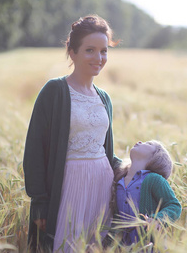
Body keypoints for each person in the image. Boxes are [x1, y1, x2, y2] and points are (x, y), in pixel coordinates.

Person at [23, 15, 122, 252]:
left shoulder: (104, 97)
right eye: (90, 50)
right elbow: (34, 149)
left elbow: (106, 150)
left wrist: (139, 170)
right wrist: (39, 203)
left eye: (104, 51)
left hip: (102, 187)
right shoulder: (54, 91)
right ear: (72, 51)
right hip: (67, 187)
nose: (99, 58)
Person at [108, 140, 181, 249]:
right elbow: (108, 153)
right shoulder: (118, 177)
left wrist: (158, 219)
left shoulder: (154, 179)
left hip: (149, 245)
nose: (140, 141)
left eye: (149, 144)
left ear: (156, 158)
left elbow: (174, 205)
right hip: (122, 246)